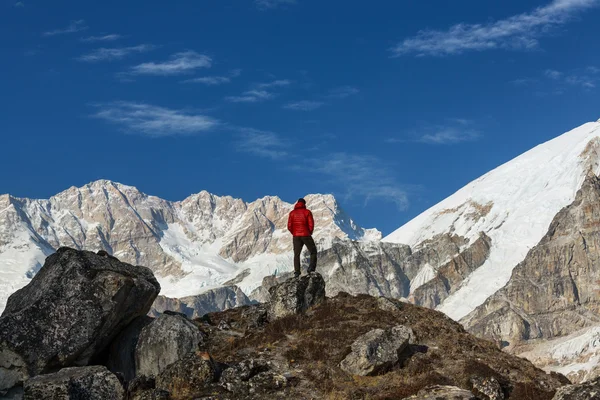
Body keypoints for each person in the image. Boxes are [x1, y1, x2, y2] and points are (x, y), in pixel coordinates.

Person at [287, 198, 317, 277]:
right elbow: (311, 224)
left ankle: (297, 272)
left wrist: (294, 232)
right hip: (306, 234)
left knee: (296, 254)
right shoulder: (307, 212)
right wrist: (309, 232)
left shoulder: (292, 213)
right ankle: (311, 269)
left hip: (296, 236)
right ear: (304, 204)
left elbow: (289, 226)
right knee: (313, 251)